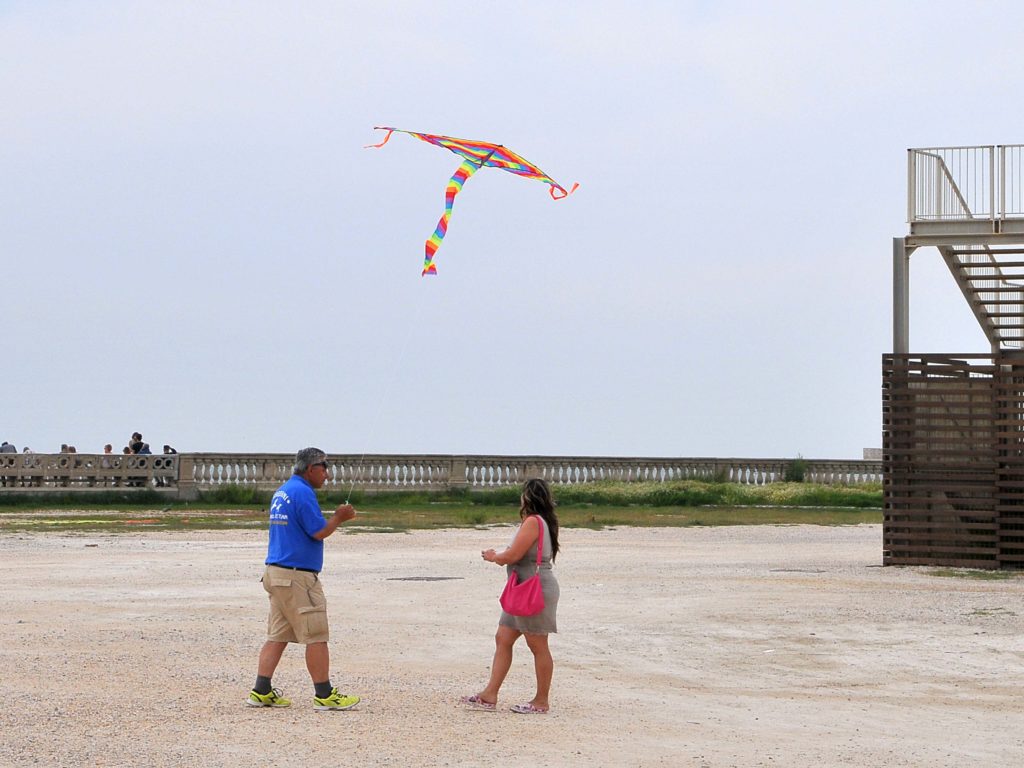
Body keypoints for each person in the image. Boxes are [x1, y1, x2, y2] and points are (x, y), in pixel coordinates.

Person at [247, 447, 362, 711]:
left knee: (278, 634)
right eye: (325, 468)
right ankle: (324, 694)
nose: (327, 475)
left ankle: (261, 690)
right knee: (316, 634)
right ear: (311, 468)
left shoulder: (284, 490)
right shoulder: (302, 492)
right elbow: (318, 531)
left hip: (276, 573)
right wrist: (339, 517)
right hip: (296, 576)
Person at [462, 477, 561, 714]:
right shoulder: (539, 521)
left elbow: (513, 555)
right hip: (521, 590)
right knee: (503, 638)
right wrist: (501, 555)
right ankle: (489, 694)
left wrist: (493, 556)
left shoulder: (533, 521)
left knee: (538, 644)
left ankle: (541, 701)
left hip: (533, 591)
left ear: (527, 496)